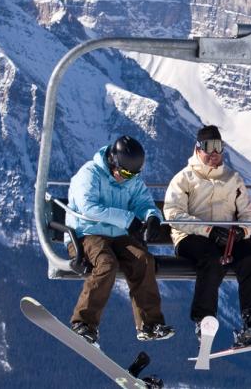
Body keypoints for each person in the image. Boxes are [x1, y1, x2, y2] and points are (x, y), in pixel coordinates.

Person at [163, 125, 251, 347]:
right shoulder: (184, 178)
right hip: (190, 237)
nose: (214, 153)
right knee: (211, 260)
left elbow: (248, 216)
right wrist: (208, 230)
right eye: (209, 147)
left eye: (219, 147)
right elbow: (174, 215)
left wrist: (241, 232)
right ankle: (203, 319)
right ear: (197, 149)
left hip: (227, 238)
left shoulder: (233, 179)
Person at [65, 135, 175, 345]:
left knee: (144, 261)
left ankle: (149, 324)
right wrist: (127, 220)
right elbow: (89, 209)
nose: (127, 178)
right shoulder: (89, 174)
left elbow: (144, 202)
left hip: (117, 236)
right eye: (124, 173)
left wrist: (152, 217)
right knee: (106, 264)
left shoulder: (131, 179)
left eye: (134, 174)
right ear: (112, 161)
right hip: (86, 234)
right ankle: (83, 323)